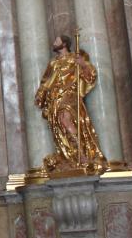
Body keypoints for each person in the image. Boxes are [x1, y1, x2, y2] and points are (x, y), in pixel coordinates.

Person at [35, 34, 107, 173]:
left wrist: (83, 64)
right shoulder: (53, 63)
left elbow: (91, 75)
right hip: (55, 97)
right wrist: (41, 93)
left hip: (69, 95)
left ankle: (82, 154)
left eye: (57, 41)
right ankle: (69, 156)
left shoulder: (75, 58)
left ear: (64, 44)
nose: (54, 43)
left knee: (65, 119)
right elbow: (46, 81)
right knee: (59, 126)